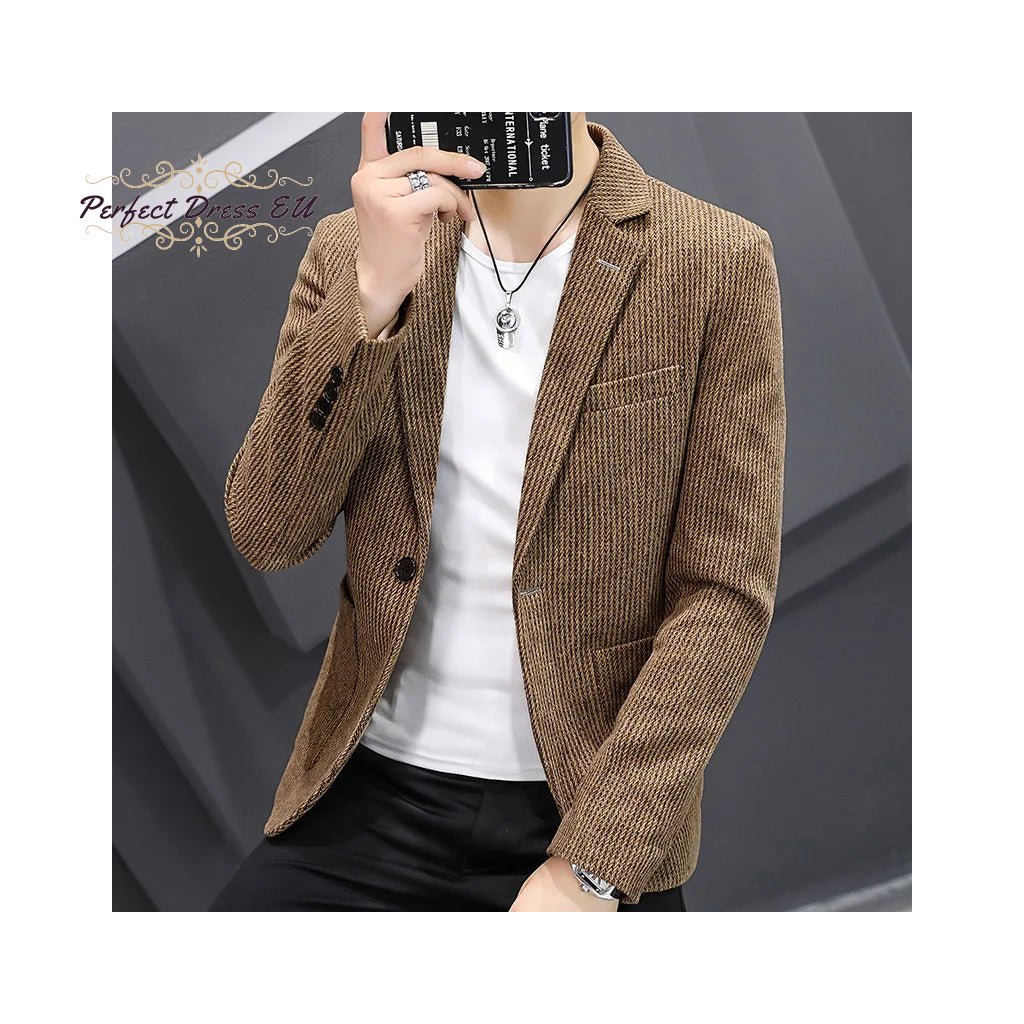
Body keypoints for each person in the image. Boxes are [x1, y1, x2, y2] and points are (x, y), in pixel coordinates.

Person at [210, 112, 786, 912]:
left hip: (583, 806)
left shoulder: (713, 258)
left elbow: (724, 592)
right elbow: (270, 529)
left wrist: (593, 867)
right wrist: (372, 294)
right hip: (369, 791)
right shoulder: (353, 247)